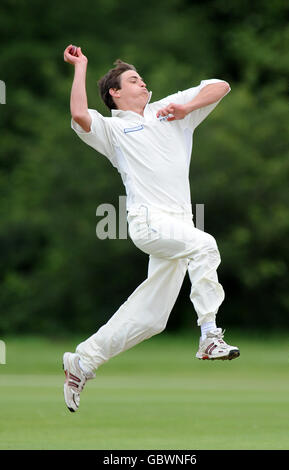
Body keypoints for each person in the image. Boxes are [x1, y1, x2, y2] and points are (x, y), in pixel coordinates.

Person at [62, 44, 240, 413]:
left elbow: (221, 85)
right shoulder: (112, 130)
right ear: (114, 93)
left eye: (141, 77)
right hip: (149, 222)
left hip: (178, 225)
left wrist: (188, 108)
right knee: (206, 246)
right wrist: (80, 67)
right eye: (132, 79)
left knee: (153, 318)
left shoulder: (169, 111)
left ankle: (83, 361)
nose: (142, 82)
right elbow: (80, 113)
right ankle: (209, 334)